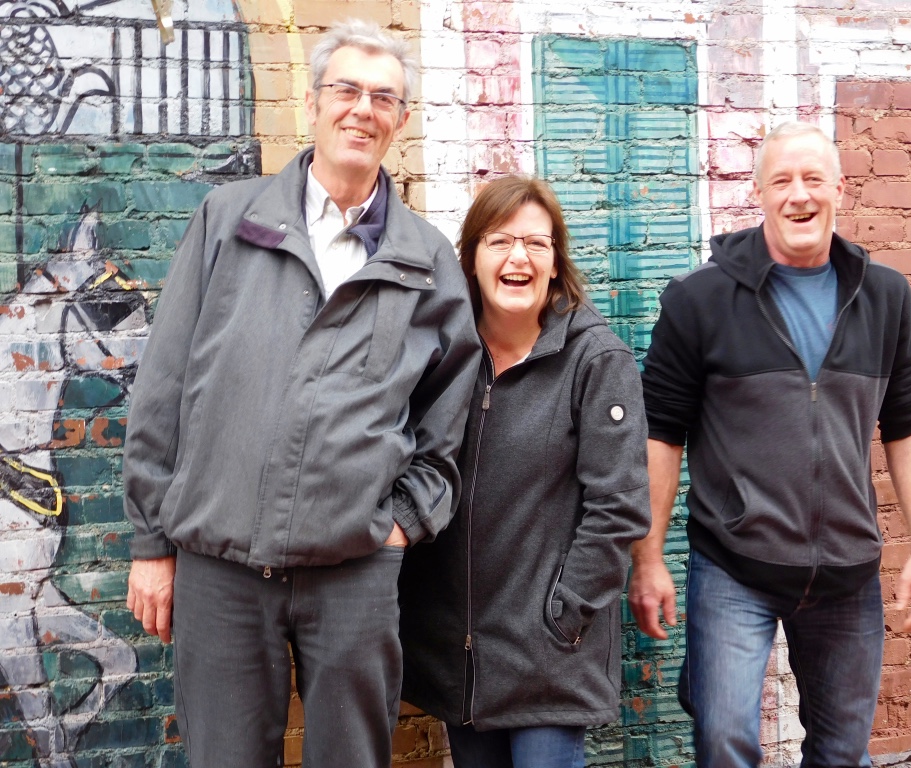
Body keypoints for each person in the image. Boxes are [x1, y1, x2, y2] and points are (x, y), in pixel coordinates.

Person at [121, 19, 480, 768]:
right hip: (219, 568)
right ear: (311, 103)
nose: (363, 109)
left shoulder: (424, 259)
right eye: (346, 90)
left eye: (383, 97)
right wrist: (152, 545)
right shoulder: (230, 222)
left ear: (400, 121)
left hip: (354, 575)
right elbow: (164, 385)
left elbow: (446, 421)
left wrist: (402, 525)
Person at [628, 121, 911, 767]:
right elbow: (660, 434)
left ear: (839, 189)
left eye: (813, 179)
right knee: (725, 742)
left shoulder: (885, 297)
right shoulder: (699, 300)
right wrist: (648, 557)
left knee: (841, 753)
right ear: (759, 193)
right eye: (782, 181)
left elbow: (909, 427)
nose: (799, 195)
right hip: (734, 565)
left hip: (848, 572)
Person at [399, 175, 651, 768]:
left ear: (556, 262)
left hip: (549, 654)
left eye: (537, 244)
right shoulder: (442, 358)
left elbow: (618, 507)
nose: (519, 257)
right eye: (500, 241)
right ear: (472, 259)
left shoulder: (596, 360)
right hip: (461, 656)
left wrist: (566, 613)